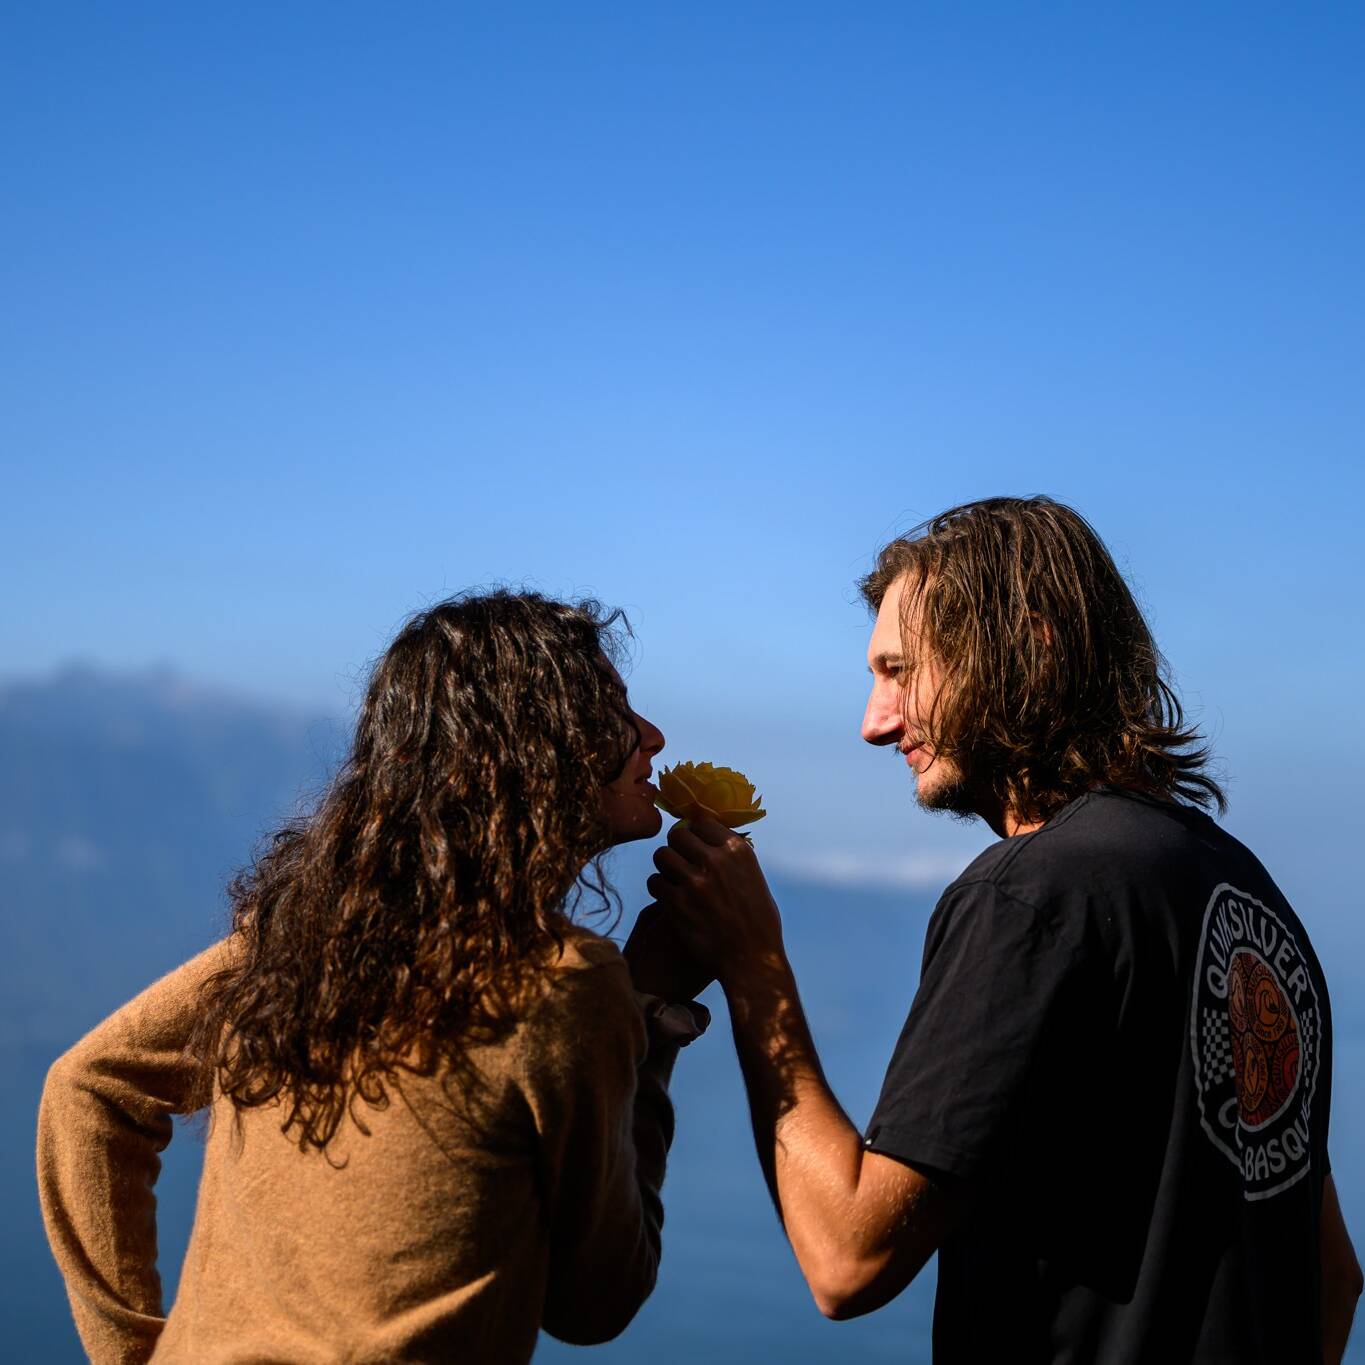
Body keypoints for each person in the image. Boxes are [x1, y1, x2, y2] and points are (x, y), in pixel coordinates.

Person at [649, 496, 1362, 1363]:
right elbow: (1332, 1274)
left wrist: (751, 963)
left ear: (1026, 645)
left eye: (900, 669)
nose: (873, 722)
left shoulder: (1031, 897)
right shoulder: (1244, 893)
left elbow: (845, 1256)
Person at [37, 590, 709, 1364]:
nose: (651, 737)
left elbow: (88, 1086)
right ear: (537, 748)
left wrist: (132, 1353)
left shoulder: (305, 934)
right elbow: (596, 1301)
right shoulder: (560, 983)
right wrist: (656, 1007)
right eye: (613, 712)